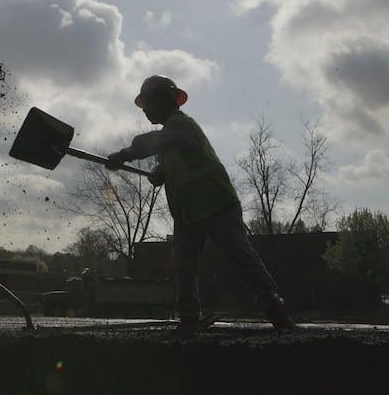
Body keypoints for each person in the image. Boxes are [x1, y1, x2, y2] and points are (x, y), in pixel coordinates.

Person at [106, 75, 296, 334]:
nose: (145, 111)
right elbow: (174, 159)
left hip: (217, 204)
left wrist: (125, 154)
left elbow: (157, 142)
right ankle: (188, 317)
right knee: (183, 265)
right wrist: (161, 172)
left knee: (241, 256)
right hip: (188, 213)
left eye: (147, 104)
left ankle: (274, 308)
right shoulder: (172, 136)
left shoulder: (183, 125)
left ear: (164, 98)